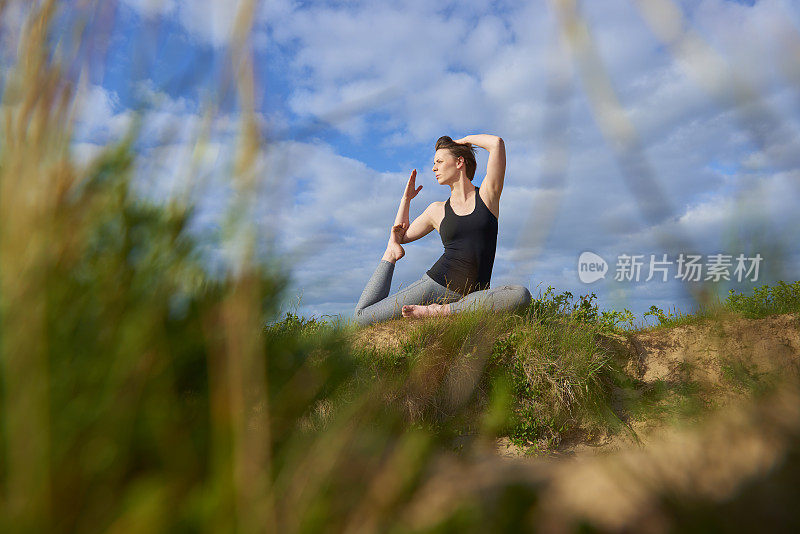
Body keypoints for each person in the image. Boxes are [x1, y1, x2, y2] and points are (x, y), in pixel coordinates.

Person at [353, 134, 532, 326]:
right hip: (435, 286)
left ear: (459, 162)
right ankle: (390, 255)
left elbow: (496, 144)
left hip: (475, 295)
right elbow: (401, 235)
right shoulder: (436, 210)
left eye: (439, 161)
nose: (433, 168)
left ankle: (440, 311)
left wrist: (461, 142)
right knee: (361, 318)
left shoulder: (488, 196)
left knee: (521, 295)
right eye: (434, 162)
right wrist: (406, 200)